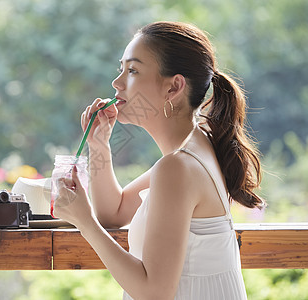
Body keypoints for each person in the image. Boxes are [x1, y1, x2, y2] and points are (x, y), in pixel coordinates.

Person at [53, 21, 264, 300]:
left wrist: (84, 221)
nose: (117, 83)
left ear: (173, 87)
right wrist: (99, 144)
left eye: (133, 71)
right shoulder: (194, 148)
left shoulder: (177, 167)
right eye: (121, 70)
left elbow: (154, 292)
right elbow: (113, 213)